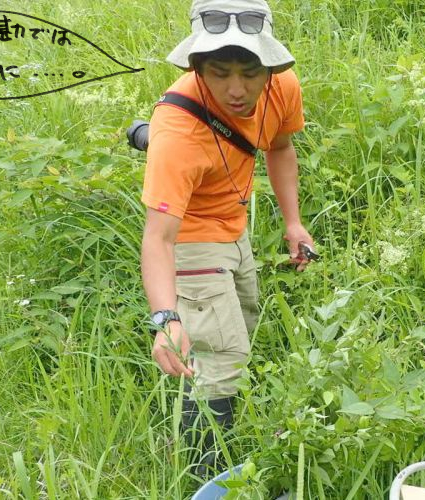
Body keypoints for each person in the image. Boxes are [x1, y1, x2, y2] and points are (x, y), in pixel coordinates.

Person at [139, 0, 315, 476]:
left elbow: (280, 147)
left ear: (269, 67)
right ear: (197, 66)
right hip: (191, 236)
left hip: (235, 227)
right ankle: (205, 471)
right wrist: (166, 318)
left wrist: (293, 222)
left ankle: (205, 404)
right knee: (225, 354)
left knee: (242, 327)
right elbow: (158, 238)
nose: (237, 90)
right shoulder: (176, 132)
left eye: (249, 73)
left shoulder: (282, 87)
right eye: (219, 73)